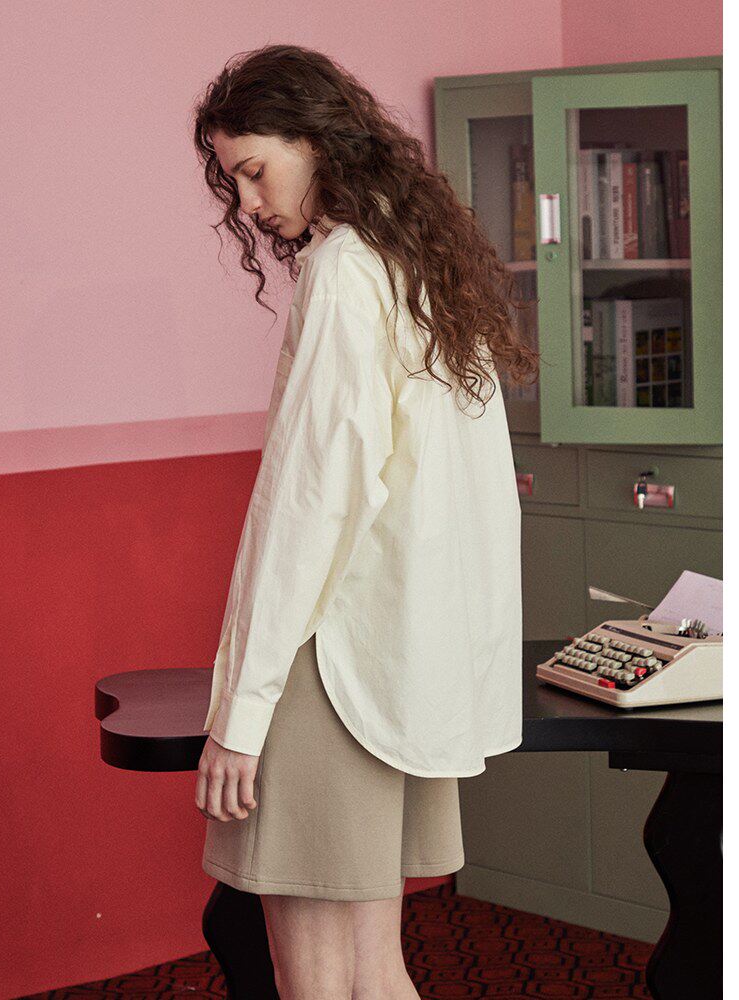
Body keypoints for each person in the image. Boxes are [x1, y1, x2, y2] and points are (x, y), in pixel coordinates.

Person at [190, 44, 540, 1000]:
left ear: (316, 139)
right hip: (399, 660)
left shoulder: (346, 270)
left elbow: (312, 500)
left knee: (317, 985)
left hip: (332, 663)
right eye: (232, 182)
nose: (249, 203)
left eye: (255, 169)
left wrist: (242, 711)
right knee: (375, 975)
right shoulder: (416, 262)